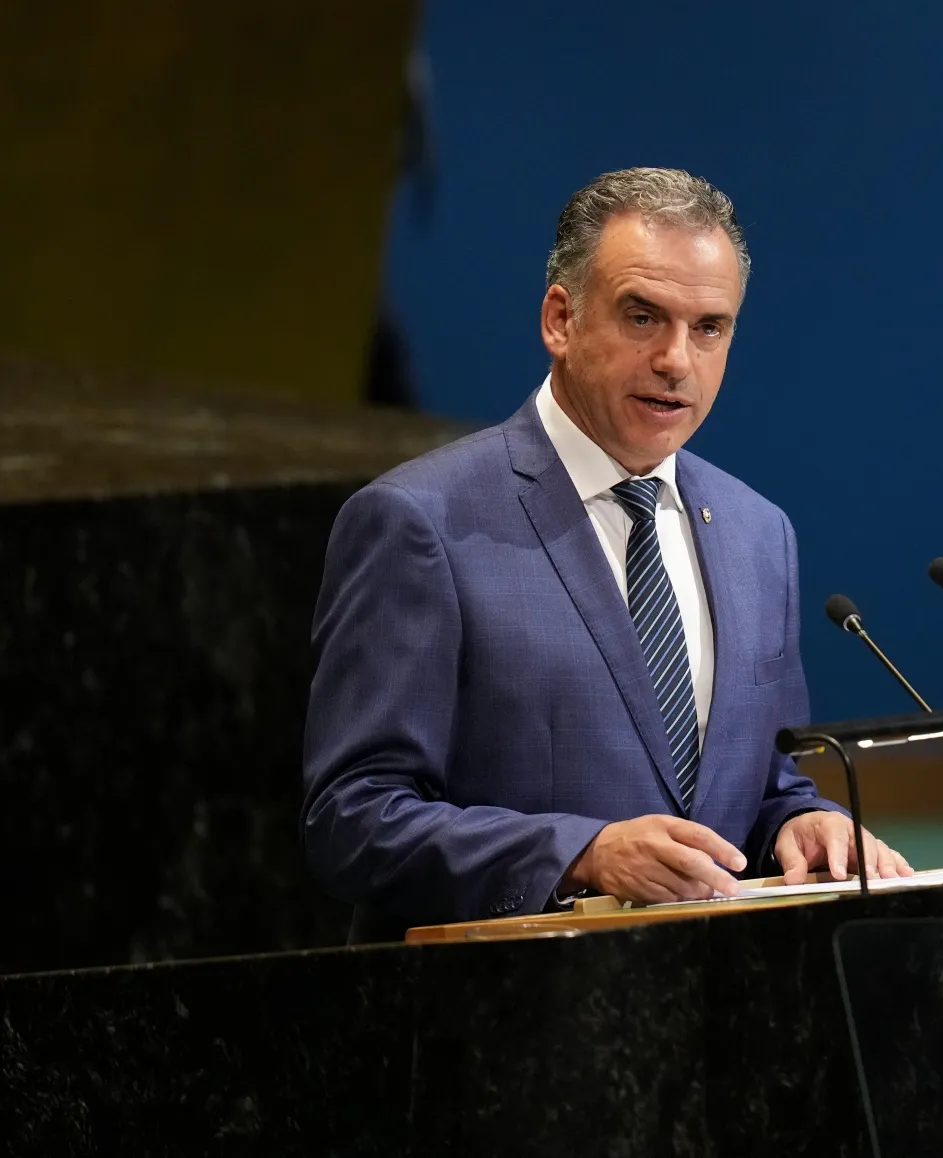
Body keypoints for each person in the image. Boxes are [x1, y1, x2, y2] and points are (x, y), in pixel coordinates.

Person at [302, 167, 911, 939]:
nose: (676, 360)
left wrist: (804, 822)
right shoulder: (420, 522)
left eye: (709, 327)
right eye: (642, 317)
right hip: (503, 1021)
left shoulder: (762, 536)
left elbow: (765, 787)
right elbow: (350, 818)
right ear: (560, 319)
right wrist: (578, 853)